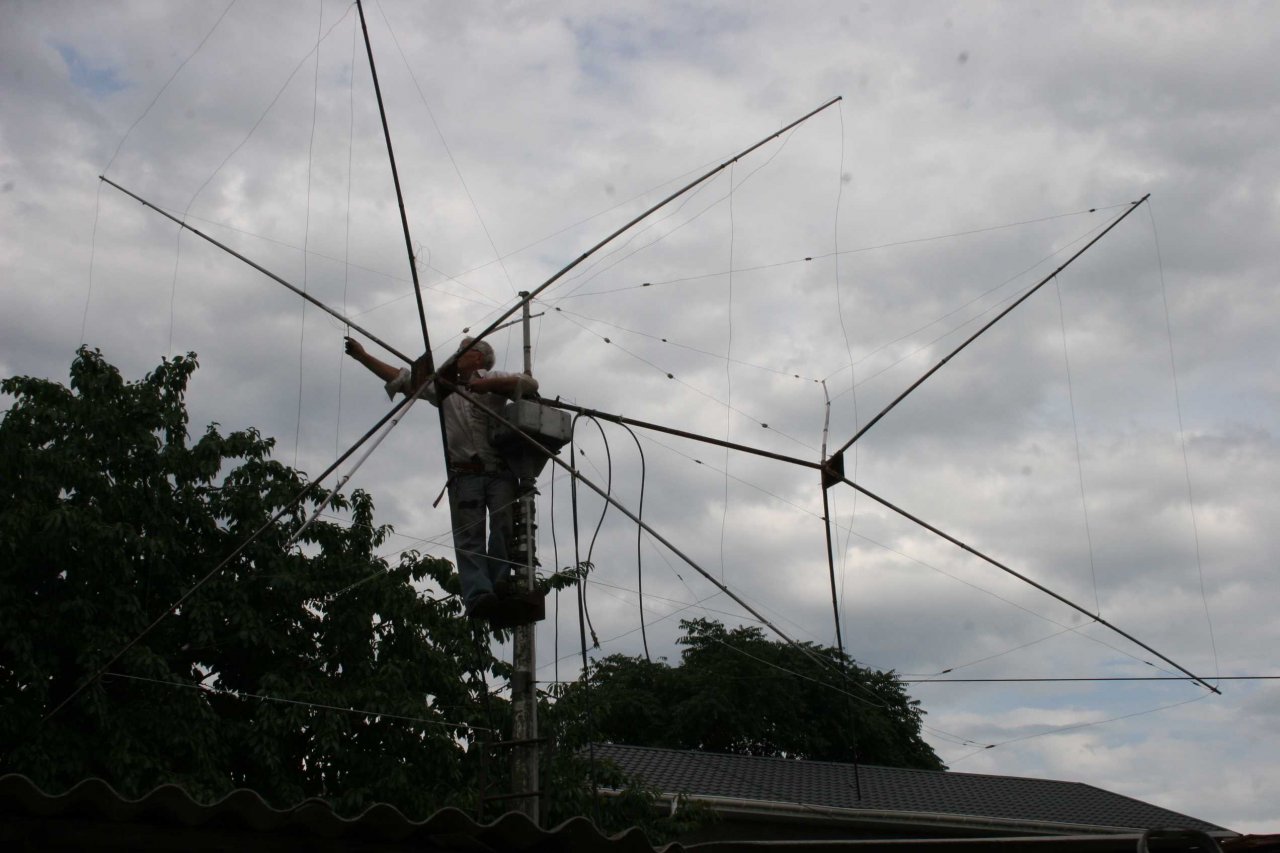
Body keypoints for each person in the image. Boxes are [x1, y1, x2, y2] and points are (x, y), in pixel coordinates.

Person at [344, 335, 538, 619]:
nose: (457, 355)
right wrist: (362, 356)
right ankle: (479, 595)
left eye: (463, 351)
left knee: (503, 528)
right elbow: (403, 380)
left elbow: (529, 385)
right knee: (469, 538)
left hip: (499, 471)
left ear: (478, 358)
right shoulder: (444, 386)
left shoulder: (493, 379)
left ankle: (499, 582)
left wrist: (487, 386)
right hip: (465, 474)